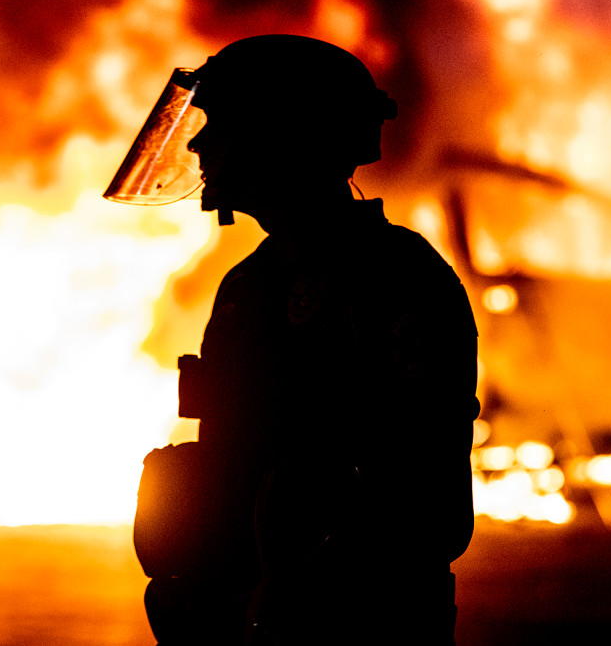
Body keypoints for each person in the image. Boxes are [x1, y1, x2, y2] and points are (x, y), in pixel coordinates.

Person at [104, 35, 479, 644]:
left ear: (280, 135)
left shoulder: (397, 279)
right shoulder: (251, 285)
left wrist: (303, 590)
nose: (197, 143)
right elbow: (229, 452)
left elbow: (425, 497)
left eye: (218, 122)